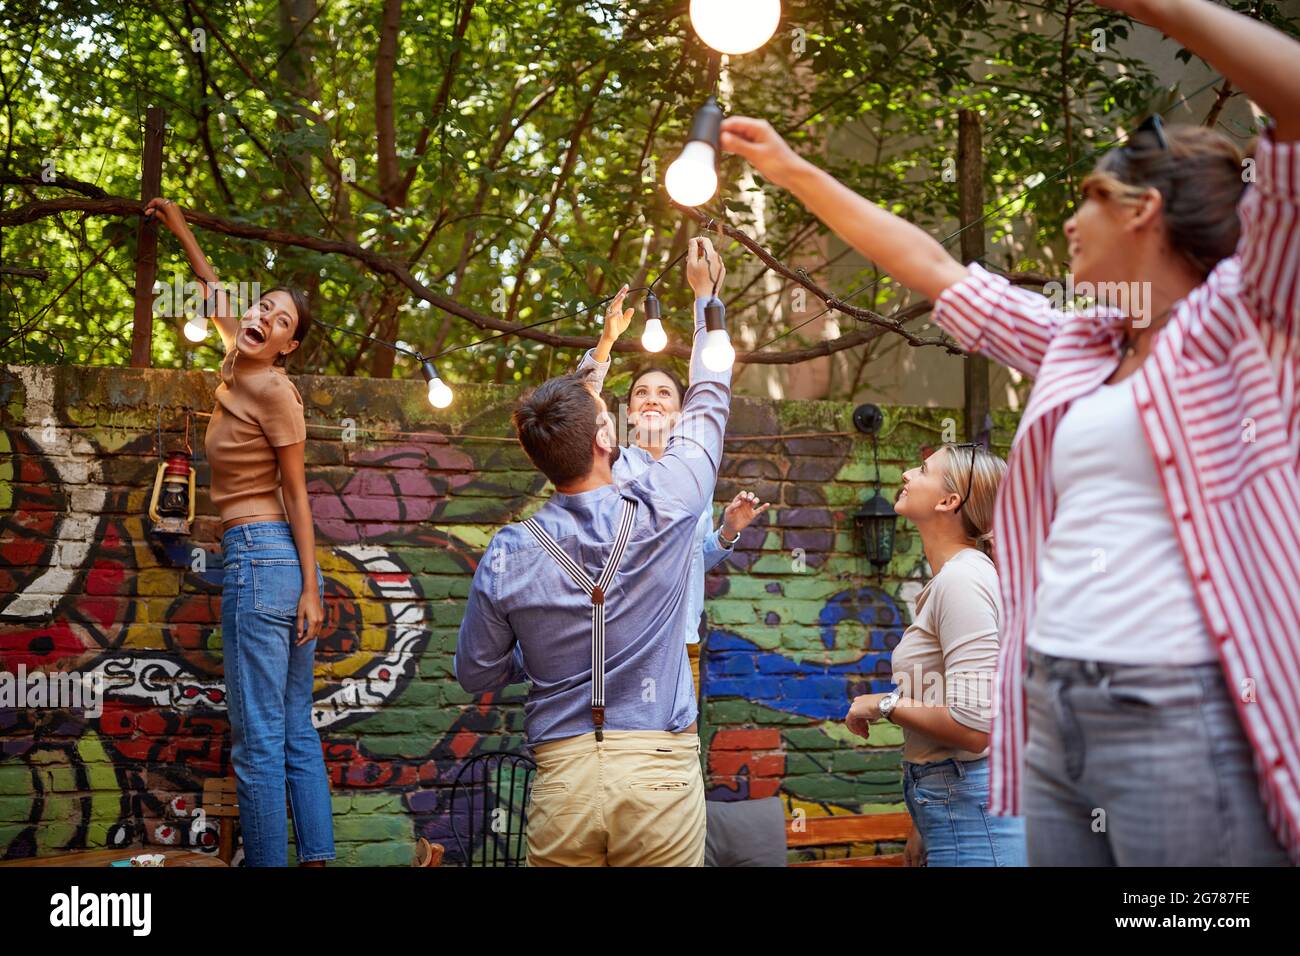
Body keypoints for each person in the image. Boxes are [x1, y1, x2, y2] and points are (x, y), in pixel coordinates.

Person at [720, 0, 1299, 865]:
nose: (1069, 224)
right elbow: (934, 267)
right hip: (1061, 710)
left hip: (1181, 698)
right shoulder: (1080, 342)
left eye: (1088, 202)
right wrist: (794, 170)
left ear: (1142, 212)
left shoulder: (1246, 319)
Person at [454, 237, 733, 866]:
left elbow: (475, 673)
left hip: (562, 781)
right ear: (608, 436)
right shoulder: (667, 505)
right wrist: (706, 299)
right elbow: (711, 397)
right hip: (659, 770)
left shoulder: (507, 554)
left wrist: (539, 649)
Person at [147, 197, 333, 867]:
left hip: (263, 565)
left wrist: (313, 588)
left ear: (290, 343)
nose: (259, 319)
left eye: (279, 320)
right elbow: (215, 290)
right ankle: (316, 860)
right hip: (267, 563)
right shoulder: (237, 363)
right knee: (290, 732)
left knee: (258, 742)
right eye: (261, 309)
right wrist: (179, 226)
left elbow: (296, 491)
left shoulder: (275, 391)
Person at [576, 246, 772, 696]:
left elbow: (689, 560)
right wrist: (605, 343)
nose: (650, 398)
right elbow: (578, 409)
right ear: (626, 411)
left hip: (684, 643)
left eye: (664, 394)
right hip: (619, 644)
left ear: (681, 412)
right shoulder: (612, 464)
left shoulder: (693, 475)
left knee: (678, 758)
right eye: (641, 392)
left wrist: (726, 533)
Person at [846, 443, 1023, 867]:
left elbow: (975, 726)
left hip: (973, 816)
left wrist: (882, 703)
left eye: (923, 469)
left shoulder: (963, 580)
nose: (907, 473)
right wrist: (923, 826)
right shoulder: (954, 579)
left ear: (949, 501)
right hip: (952, 807)